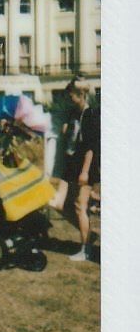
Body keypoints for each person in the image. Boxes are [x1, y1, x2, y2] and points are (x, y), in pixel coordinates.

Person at [67, 79, 100, 261]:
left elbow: (90, 147)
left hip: (87, 167)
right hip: (81, 166)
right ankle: (86, 245)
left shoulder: (90, 115)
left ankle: (85, 249)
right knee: (81, 206)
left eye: (72, 94)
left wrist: (85, 172)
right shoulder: (79, 114)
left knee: (81, 206)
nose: (69, 97)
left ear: (81, 95)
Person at [49, 76, 85, 212]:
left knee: (69, 177)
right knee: (67, 177)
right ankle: (62, 200)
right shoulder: (74, 109)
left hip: (73, 151)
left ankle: (62, 201)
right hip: (71, 150)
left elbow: (65, 129)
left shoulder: (76, 109)